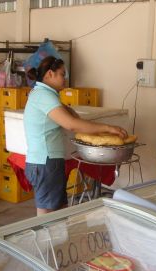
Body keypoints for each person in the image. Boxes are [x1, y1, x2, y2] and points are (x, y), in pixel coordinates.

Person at [24, 56, 128, 216]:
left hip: (43, 161)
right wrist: (108, 128)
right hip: (45, 161)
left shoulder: (43, 94)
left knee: (52, 210)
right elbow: (71, 124)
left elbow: (73, 117)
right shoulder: (44, 96)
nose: (64, 78)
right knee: (49, 214)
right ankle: (48, 240)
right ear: (50, 74)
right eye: (62, 74)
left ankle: (52, 239)